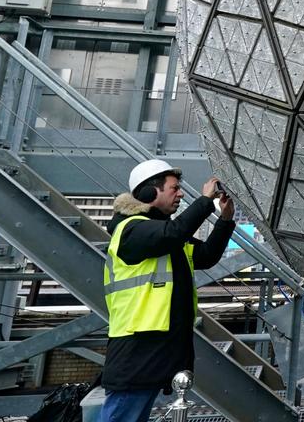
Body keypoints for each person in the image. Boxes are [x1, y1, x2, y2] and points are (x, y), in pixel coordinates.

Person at [101, 159, 235, 422]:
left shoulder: (165, 234)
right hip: (137, 347)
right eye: (174, 188)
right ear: (150, 193)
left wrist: (225, 219)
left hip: (158, 346)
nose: (181, 193)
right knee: (124, 413)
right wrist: (205, 201)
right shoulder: (131, 230)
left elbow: (206, 256)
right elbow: (172, 234)